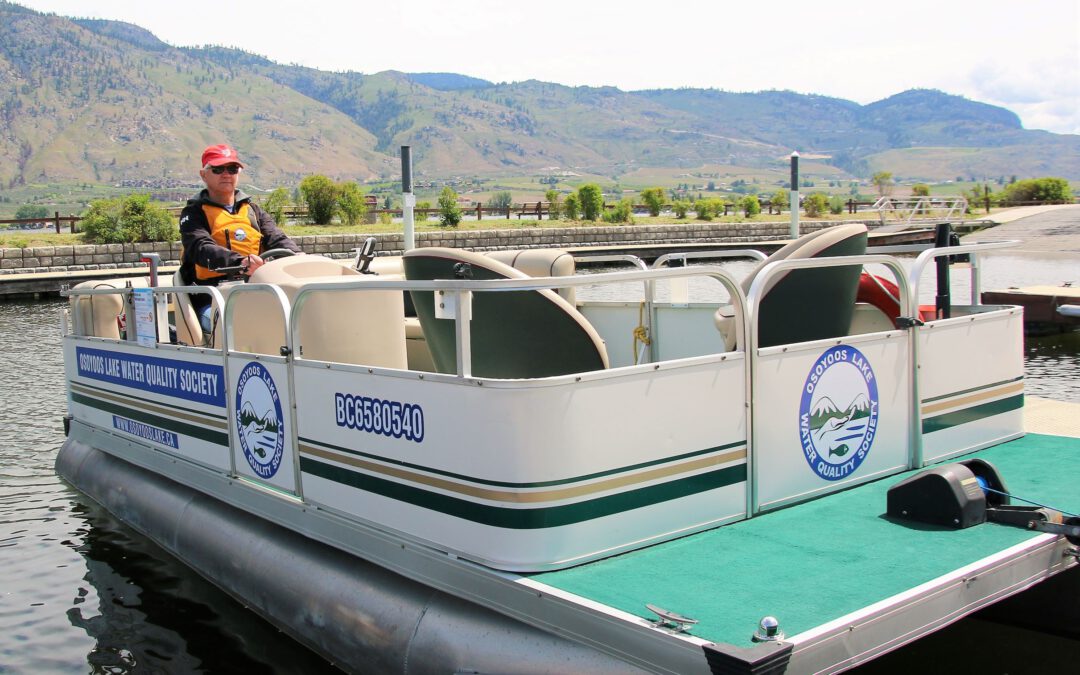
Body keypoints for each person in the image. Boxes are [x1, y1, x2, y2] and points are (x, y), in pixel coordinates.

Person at [179, 144, 302, 331]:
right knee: (249, 327)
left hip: (258, 293)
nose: (226, 174)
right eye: (218, 169)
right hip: (212, 299)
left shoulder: (253, 211)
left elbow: (278, 239)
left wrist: (299, 257)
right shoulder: (193, 213)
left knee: (300, 317)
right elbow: (200, 247)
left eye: (232, 168)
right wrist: (242, 261)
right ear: (204, 175)